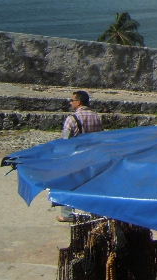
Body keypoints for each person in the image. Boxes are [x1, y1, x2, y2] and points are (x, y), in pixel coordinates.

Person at [58, 90, 103, 222]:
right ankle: (91, 213)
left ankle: (67, 214)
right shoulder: (97, 117)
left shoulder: (72, 119)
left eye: (72, 100)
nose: (71, 103)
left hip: (76, 157)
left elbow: (65, 141)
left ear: (79, 102)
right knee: (91, 185)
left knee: (69, 184)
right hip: (93, 156)